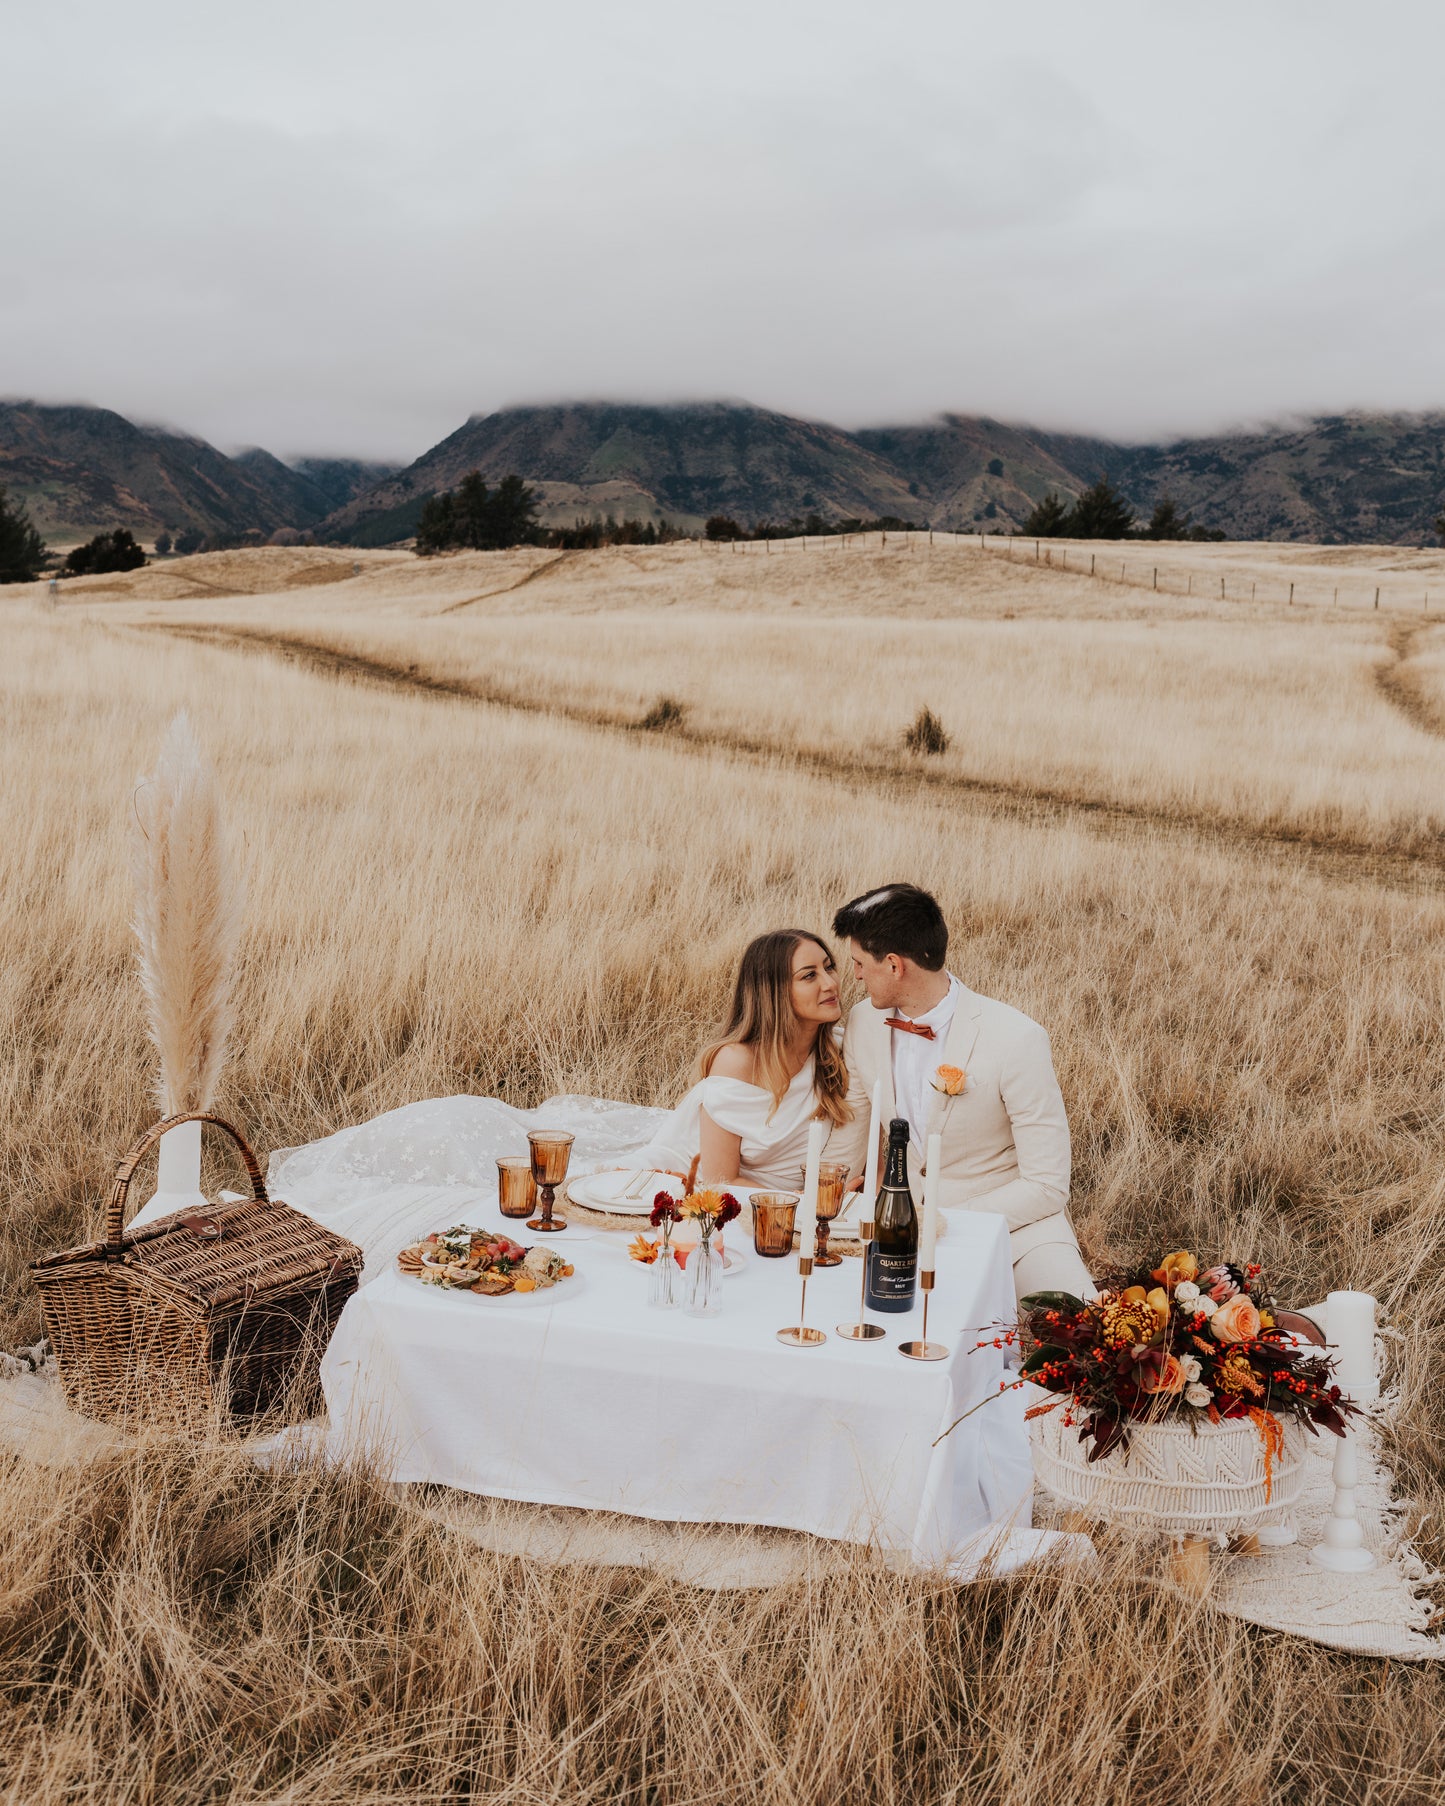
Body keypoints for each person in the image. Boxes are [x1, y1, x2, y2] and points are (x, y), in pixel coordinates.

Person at [827, 882, 1091, 1304]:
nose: (854, 974)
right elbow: (853, 1131)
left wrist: (943, 1220)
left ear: (895, 966)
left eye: (859, 962)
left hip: (1020, 1233)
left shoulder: (1016, 1038)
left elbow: (1047, 1185)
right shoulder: (863, 1023)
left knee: (1082, 1335)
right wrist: (816, 1198)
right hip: (901, 1235)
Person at [634, 928, 850, 1188]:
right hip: (703, 1191)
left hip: (798, 1207)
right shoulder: (736, 1062)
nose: (830, 984)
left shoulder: (840, 1051)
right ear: (774, 991)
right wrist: (809, 1205)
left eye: (829, 968)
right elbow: (721, 1180)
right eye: (809, 975)